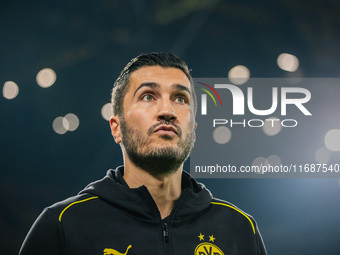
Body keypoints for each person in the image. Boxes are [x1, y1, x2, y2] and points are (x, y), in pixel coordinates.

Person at [19, 52, 267, 255]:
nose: (167, 110)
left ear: (194, 131)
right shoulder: (63, 225)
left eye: (181, 98)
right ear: (117, 128)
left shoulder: (240, 229)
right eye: (148, 96)